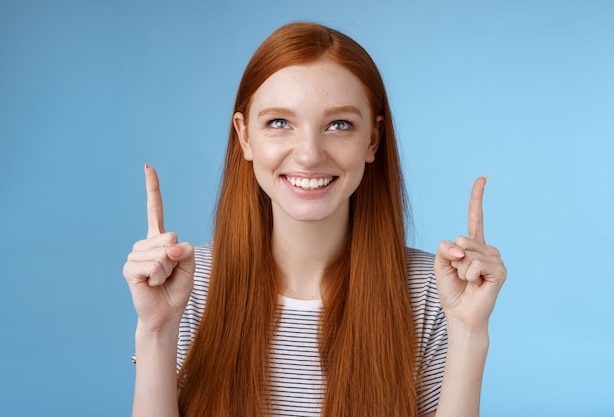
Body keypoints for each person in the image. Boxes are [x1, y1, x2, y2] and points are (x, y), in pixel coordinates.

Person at [123, 22, 507, 417]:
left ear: (372, 140)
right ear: (245, 137)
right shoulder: (188, 285)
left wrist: (469, 332)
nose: (308, 154)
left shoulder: (433, 291)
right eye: (279, 123)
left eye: (339, 125)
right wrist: (155, 331)